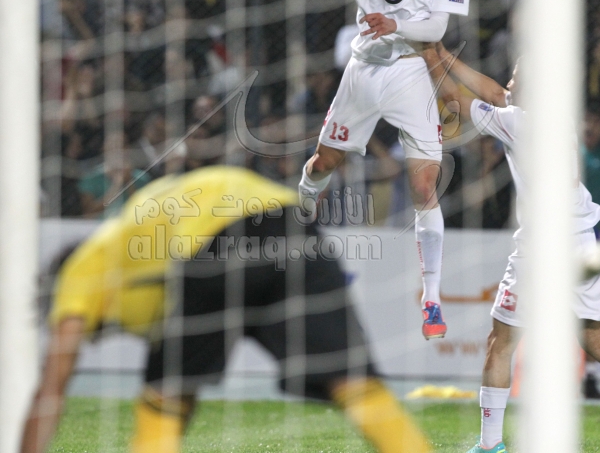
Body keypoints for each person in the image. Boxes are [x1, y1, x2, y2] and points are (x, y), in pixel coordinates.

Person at [21, 166, 432, 453]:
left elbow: (53, 386)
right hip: (292, 225)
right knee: (354, 384)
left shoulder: (81, 270)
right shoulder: (134, 252)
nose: (94, 340)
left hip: (215, 236)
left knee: (161, 400)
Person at [296, 0, 470, 339]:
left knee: (425, 185)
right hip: (365, 71)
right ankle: (305, 202)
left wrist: (395, 25)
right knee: (323, 163)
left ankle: (431, 300)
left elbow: (436, 29)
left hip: (412, 72)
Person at [421, 43, 600, 453]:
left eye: (517, 74)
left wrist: (428, 56)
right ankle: (490, 445)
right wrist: (442, 51)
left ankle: (490, 445)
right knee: (592, 339)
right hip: (583, 238)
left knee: (500, 342)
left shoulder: (519, 122)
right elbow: (495, 93)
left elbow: (458, 101)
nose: (510, 81)